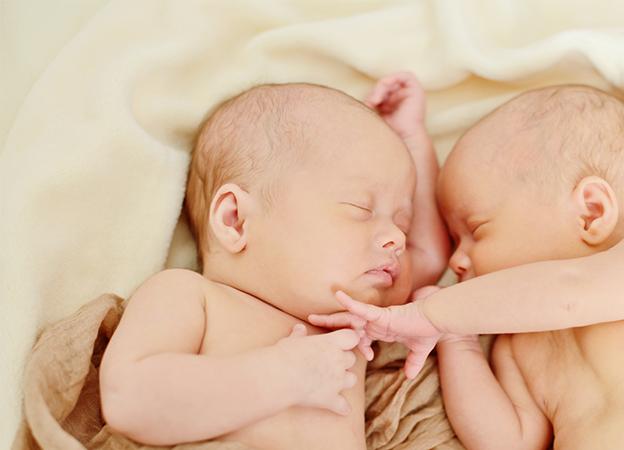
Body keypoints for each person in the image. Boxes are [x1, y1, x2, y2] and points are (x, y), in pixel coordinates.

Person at [312, 85, 624, 450]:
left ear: (591, 213)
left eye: (476, 229)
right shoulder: (514, 347)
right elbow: (510, 440)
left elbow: (569, 290)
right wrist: (457, 341)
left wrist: (432, 314)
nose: (455, 261)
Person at [99, 73, 449, 449]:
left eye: (403, 222)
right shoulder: (190, 295)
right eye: (360, 209)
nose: (397, 238)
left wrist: (411, 139)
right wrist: (282, 377)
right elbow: (129, 399)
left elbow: (429, 256)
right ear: (236, 220)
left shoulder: (362, 320)